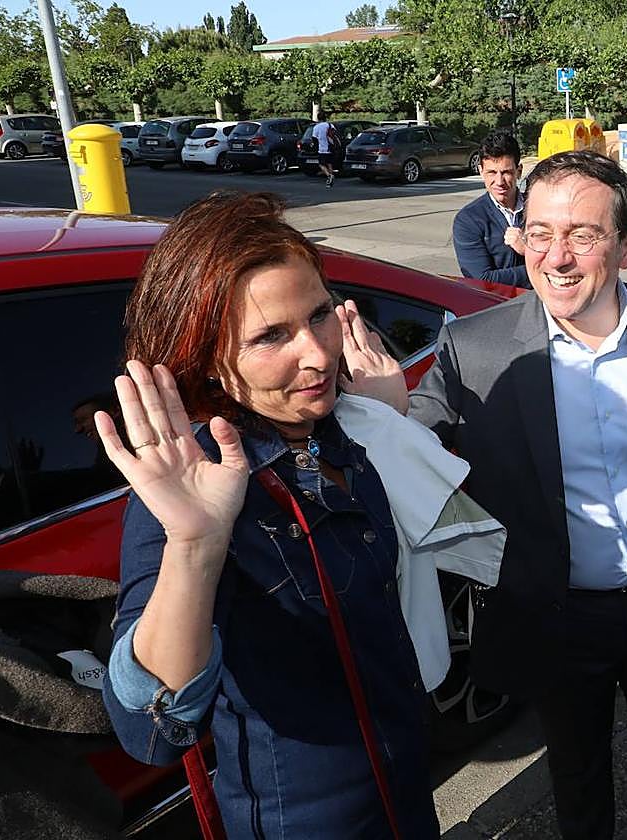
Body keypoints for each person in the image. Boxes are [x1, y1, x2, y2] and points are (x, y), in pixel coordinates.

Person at [410, 150, 627, 839]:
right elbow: (406, 452)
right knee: (577, 778)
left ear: (625, 246)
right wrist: (372, 410)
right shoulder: (474, 348)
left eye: (582, 235)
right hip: (556, 617)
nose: (556, 257)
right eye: (538, 233)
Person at [99, 192, 438, 839]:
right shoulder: (196, 490)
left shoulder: (337, 428)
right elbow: (151, 730)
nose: (318, 356)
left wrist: (385, 420)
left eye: (320, 315)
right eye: (270, 336)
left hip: (405, 791)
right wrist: (195, 545)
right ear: (205, 356)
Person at [451, 130, 531, 288]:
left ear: (519, 171)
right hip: (497, 302)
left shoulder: (541, 208)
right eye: (492, 173)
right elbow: (482, 280)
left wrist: (527, 250)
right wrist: (540, 266)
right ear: (481, 172)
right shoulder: (468, 220)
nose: (499, 181)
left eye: (506, 172)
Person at [311, 112, 338, 187]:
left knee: (321, 164)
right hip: (331, 147)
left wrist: (315, 147)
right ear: (325, 118)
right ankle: (331, 178)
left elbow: (314, 138)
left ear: (318, 118)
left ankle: (329, 176)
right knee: (329, 163)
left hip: (322, 149)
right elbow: (335, 134)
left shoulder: (316, 127)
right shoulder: (330, 125)